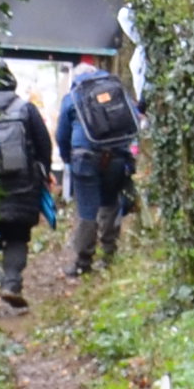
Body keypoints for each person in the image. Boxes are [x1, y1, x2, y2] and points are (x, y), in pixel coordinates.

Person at [59, 54, 141, 276]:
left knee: (87, 209)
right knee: (110, 203)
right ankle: (109, 254)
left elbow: (62, 134)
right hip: (117, 156)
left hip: (85, 158)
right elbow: (134, 119)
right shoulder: (116, 90)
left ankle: (83, 262)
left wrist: (68, 159)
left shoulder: (72, 97)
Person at [0, 64, 59, 305]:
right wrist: (45, 173)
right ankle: (11, 283)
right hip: (23, 186)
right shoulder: (25, 109)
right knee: (17, 237)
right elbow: (44, 145)